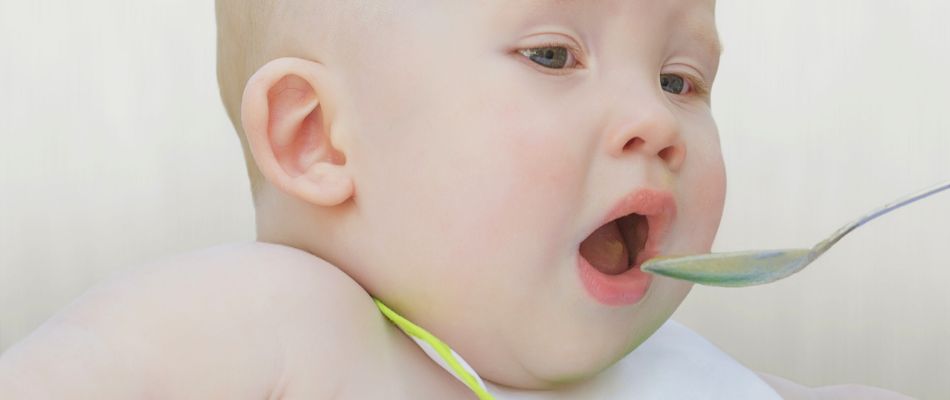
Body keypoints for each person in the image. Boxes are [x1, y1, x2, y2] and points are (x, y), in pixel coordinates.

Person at [0, 0, 915, 398]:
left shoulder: (685, 372)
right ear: (315, 137)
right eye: (553, 55)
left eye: (682, 79)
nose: (656, 119)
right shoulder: (282, 324)